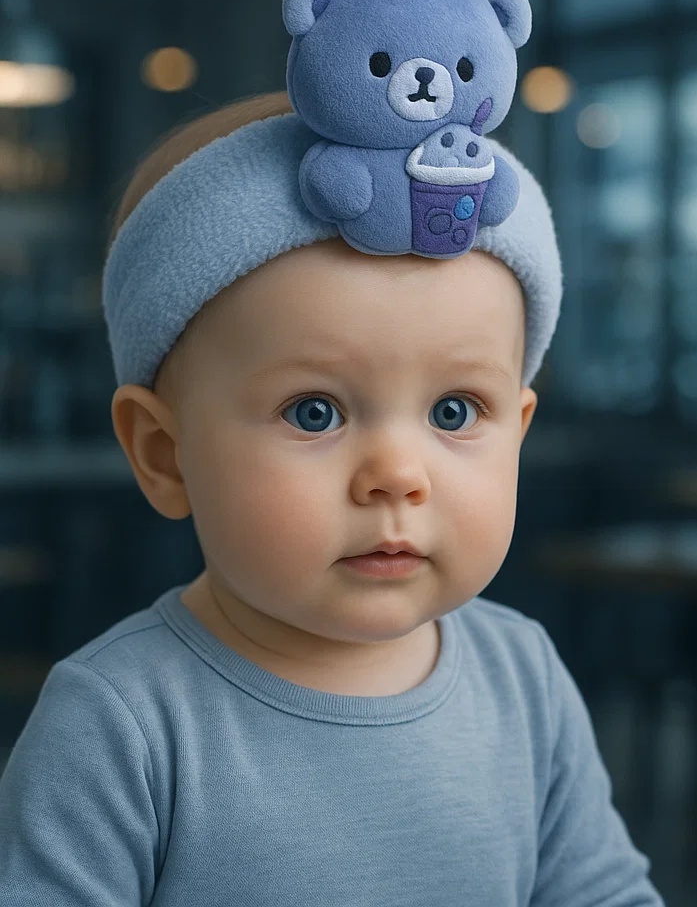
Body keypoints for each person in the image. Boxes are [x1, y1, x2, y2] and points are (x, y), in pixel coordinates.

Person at [0, 88, 665, 904]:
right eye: (313, 412)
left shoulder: (522, 677)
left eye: (453, 411)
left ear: (518, 429)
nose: (396, 473)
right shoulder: (120, 722)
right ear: (165, 453)